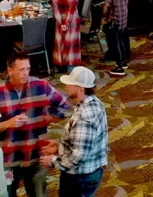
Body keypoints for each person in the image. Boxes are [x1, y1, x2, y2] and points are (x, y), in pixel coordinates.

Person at [0, 53, 72, 197]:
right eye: (21, 70)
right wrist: (8, 124)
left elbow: (66, 105)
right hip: (8, 157)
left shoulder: (41, 86)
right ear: (10, 71)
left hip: (36, 154)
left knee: (38, 194)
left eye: (28, 69)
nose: (26, 73)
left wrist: (49, 119)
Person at [40, 67, 108, 196]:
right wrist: (60, 146)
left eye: (70, 84)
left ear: (81, 89)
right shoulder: (95, 103)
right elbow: (82, 143)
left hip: (80, 177)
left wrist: (52, 161)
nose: (66, 86)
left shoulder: (84, 118)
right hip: (92, 170)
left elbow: (77, 158)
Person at [51, 0, 82, 74]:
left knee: (59, 42)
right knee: (71, 43)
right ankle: (71, 67)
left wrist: (61, 23)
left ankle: (58, 66)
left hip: (59, 19)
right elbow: (72, 9)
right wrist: (67, 23)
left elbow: (55, 9)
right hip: (72, 21)